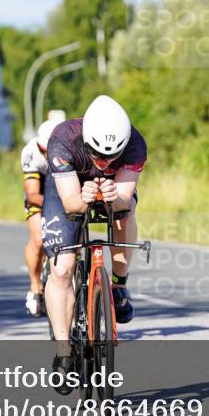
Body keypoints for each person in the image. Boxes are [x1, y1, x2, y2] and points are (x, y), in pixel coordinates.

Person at [41, 95, 147, 384]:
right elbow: (72, 204)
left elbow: (123, 200)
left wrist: (115, 198)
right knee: (62, 269)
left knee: (125, 212)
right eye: (98, 156)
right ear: (86, 141)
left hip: (114, 188)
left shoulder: (136, 144)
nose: (104, 163)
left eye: (112, 158)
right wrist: (83, 198)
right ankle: (64, 353)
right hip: (68, 187)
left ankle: (119, 285)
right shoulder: (63, 139)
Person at [21, 119, 59, 318]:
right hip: (40, 193)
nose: (47, 154)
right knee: (39, 239)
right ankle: (35, 286)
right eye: (44, 150)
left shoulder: (70, 146)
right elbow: (32, 195)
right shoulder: (31, 153)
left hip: (63, 183)